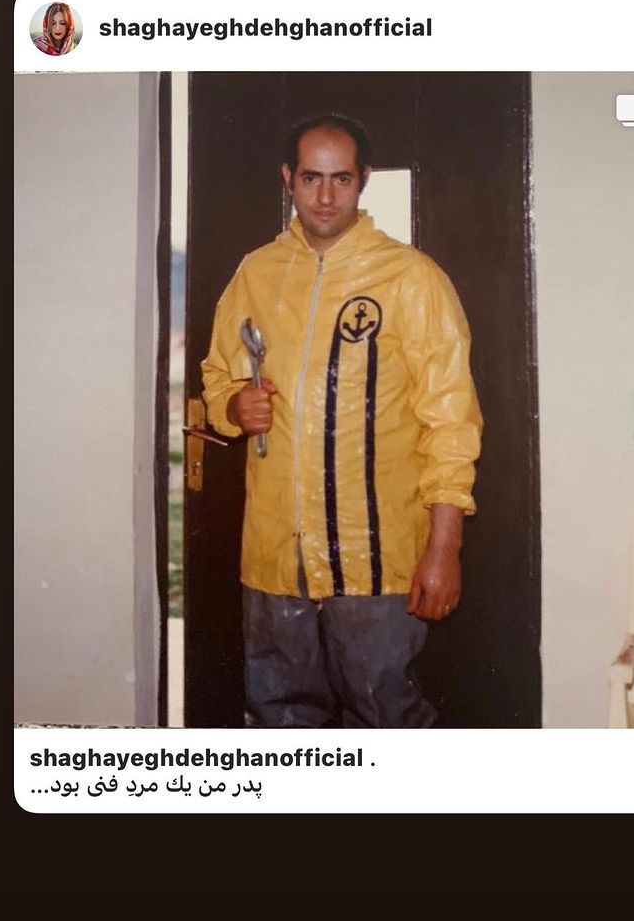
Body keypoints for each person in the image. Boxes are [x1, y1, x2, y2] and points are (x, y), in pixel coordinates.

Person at [202, 113, 482, 728]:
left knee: (385, 719)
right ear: (288, 178)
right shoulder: (256, 274)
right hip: (276, 561)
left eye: (341, 179)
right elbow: (219, 375)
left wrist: (444, 548)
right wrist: (232, 408)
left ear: (364, 180)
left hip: (376, 562)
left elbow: (452, 422)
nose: (325, 197)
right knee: (278, 720)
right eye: (311, 178)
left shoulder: (411, 277)